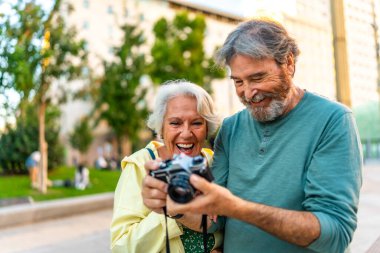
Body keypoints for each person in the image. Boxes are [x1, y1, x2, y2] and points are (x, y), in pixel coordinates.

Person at [143, 18, 363, 253]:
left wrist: (238, 208)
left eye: (257, 78)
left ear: (288, 63)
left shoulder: (332, 120)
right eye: (238, 82)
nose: (248, 93)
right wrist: (175, 205)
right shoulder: (230, 128)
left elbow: (335, 234)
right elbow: (215, 220)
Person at [110, 80, 223, 253]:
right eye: (175, 123)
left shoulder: (215, 163)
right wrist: (176, 210)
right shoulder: (141, 166)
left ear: (207, 127)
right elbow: (121, 247)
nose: (186, 133)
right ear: (161, 128)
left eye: (196, 123)